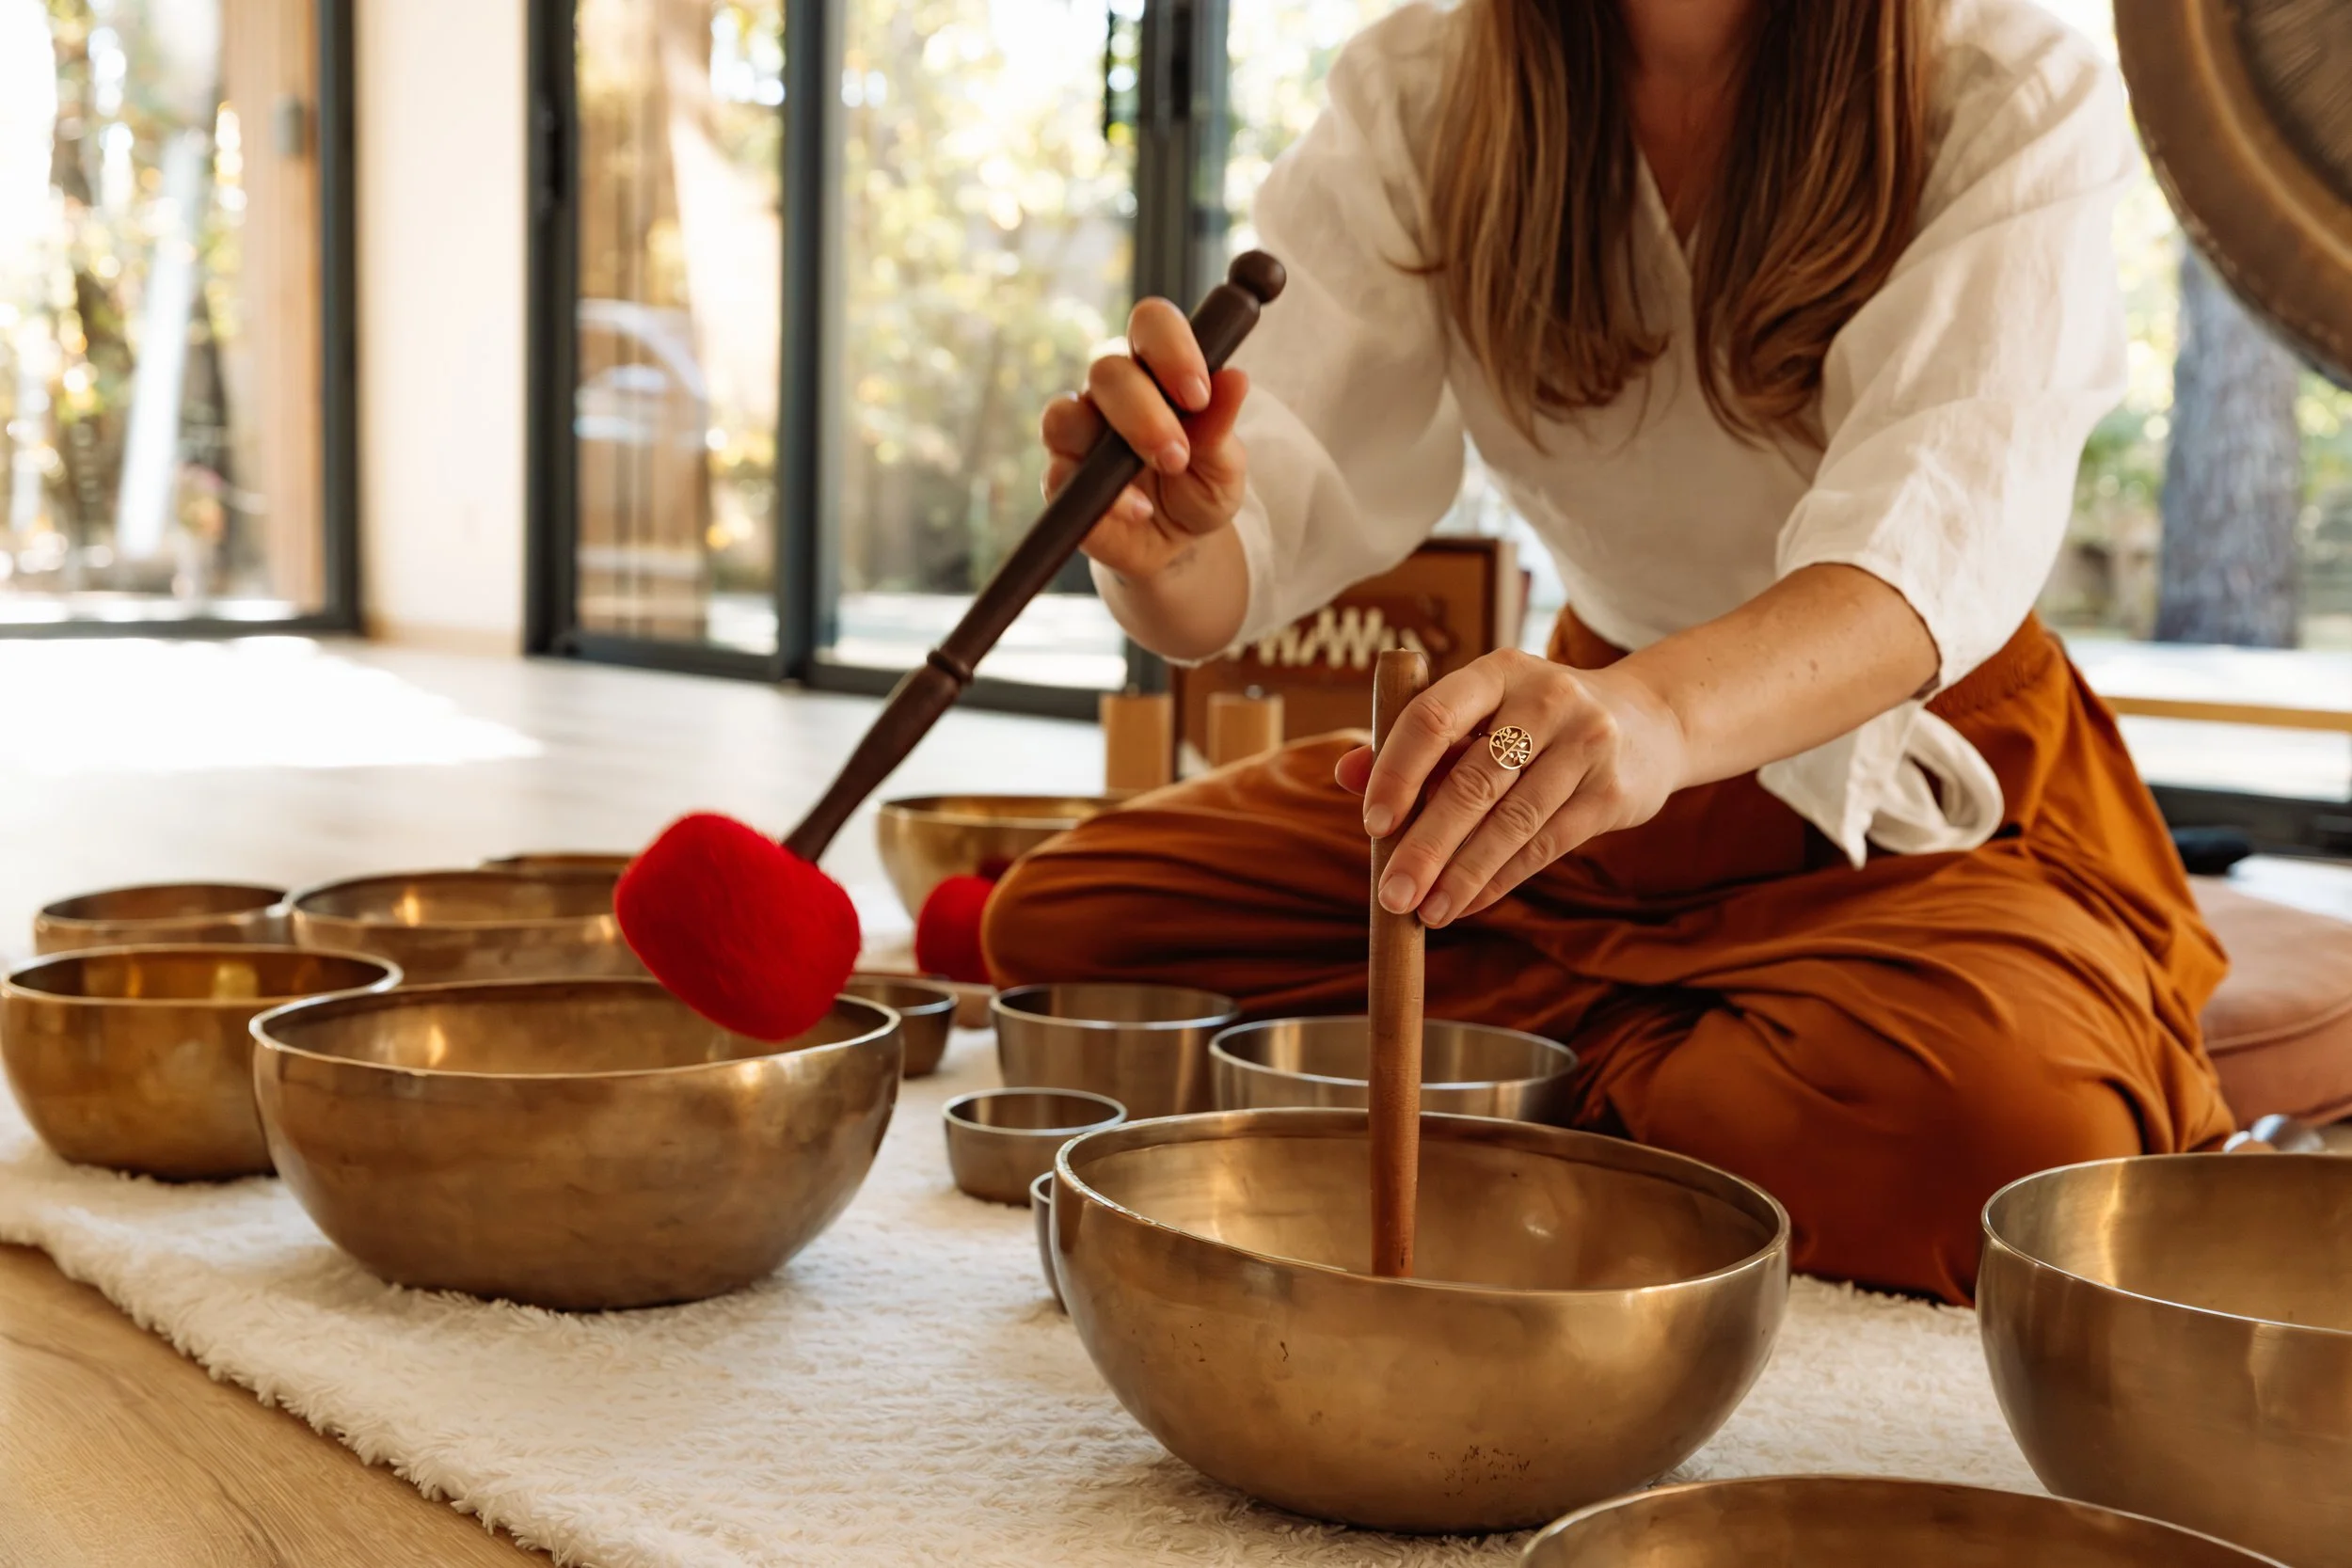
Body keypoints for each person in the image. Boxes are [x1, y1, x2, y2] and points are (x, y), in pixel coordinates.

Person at [985, 0, 2234, 1304]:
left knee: (2006, 1141)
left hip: (1910, 799)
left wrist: (1653, 723)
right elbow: (1260, 525)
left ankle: (1536, 1054)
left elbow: (1918, 557)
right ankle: (1692, 1061)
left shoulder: (2007, 82)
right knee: (1071, 929)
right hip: (1583, 781)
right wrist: (1158, 527)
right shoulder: (1429, 83)